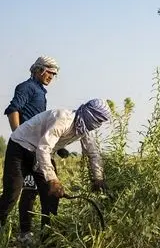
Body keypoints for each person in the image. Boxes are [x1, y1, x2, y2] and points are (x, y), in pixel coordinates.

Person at [0, 98, 111, 237]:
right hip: (21, 147)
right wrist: (53, 180)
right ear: (90, 114)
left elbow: (93, 153)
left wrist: (98, 178)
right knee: (12, 194)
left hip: (40, 153)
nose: (98, 124)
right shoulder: (64, 118)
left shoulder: (84, 128)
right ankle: (3, 227)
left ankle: (46, 237)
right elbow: (44, 148)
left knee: (51, 196)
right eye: (98, 120)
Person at [3, 56, 67, 245]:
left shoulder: (41, 91)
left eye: (54, 74)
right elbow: (13, 110)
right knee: (17, 193)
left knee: (47, 191)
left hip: (38, 149)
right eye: (50, 73)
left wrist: (59, 147)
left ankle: (48, 237)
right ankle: (24, 232)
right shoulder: (26, 87)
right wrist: (18, 135)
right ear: (40, 70)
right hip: (23, 149)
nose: (52, 77)